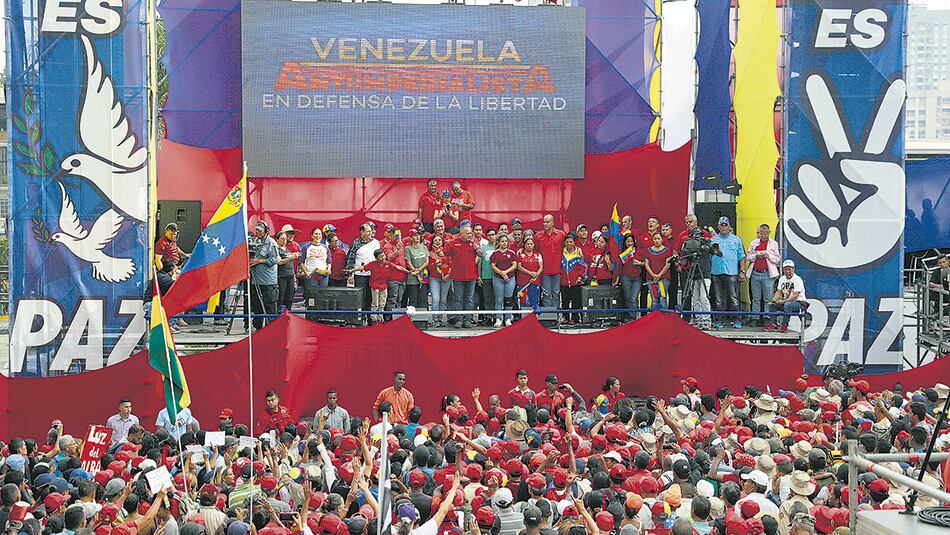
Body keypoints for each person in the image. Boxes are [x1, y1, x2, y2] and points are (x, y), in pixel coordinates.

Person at [351, 249, 410, 325]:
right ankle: (373, 319)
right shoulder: (372, 264)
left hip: (384, 286)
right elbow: (362, 267)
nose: (383, 258)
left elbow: (398, 267)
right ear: (376, 258)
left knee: (382, 304)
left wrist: (408, 272)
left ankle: (380, 319)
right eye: (380, 257)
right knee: (375, 304)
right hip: (375, 286)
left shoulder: (388, 264)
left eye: (383, 255)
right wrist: (352, 270)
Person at [710, 217, 745, 329]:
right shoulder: (713, 240)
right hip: (717, 272)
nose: (724, 227)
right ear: (719, 226)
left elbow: (742, 256)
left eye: (726, 225)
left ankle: (737, 320)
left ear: (729, 226)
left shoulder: (736, 239)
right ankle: (720, 320)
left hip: (732, 272)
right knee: (719, 298)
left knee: (733, 297)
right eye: (722, 225)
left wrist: (742, 271)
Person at [746, 224, 781, 327]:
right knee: (756, 298)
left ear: (769, 233)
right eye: (761, 234)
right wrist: (757, 255)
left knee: (768, 298)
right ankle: (755, 317)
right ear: (759, 233)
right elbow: (748, 257)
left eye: (765, 234)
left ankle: (767, 317)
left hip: (767, 273)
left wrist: (768, 255)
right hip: (755, 273)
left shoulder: (774, 244)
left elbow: (777, 259)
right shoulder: (754, 243)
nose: (763, 236)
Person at [680, 227, 715, 330]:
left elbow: (716, 252)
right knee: (695, 298)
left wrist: (707, 246)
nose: (698, 237)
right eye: (695, 235)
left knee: (704, 297)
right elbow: (686, 258)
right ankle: (698, 319)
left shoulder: (706, 243)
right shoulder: (690, 244)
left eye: (699, 235)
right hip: (695, 273)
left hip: (705, 274)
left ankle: (706, 320)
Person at [249, 220, 279, 330]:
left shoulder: (272, 243)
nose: (257, 232)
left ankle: (271, 328)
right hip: (255, 280)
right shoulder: (255, 241)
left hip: (268, 281)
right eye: (256, 230)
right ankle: (257, 327)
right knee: (256, 305)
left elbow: (275, 259)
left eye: (260, 230)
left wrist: (260, 261)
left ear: (266, 231)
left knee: (269, 305)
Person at [448, 226, 479, 328]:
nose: (470, 235)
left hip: (471, 276)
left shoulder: (474, 242)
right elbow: (445, 253)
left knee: (469, 299)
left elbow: (481, 254)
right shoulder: (453, 242)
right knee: (458, 299)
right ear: (461, 234)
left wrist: (475, 246)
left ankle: (467, 320)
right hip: (457, 276)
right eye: (467, 233)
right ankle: (459, 320)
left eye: (471, 233)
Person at [345, 223, 381, 312]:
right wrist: (349, 275)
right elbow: (350, 259)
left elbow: (380, 258)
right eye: (368, 231)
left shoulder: (376, 242)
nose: (370, 233)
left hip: (374, 275)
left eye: (371, 231)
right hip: (360, 276)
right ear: (362, 232)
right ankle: (361, 317)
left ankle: (371, 318)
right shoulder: (356, 243)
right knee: (361, 298)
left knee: (372, 298)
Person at [535, 215, 567, 309]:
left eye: (547, 222)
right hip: (544, 271)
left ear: (553, 223)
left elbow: (567, 249)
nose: (545, 224)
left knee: (556, 293)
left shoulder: (561, 235)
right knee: (546, 294)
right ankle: (549, 316)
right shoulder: (538, 236)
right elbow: (535, 253)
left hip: (558, 270)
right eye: (544, 222)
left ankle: (556, 316)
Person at [765, 260, 807, 333]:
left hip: (799, 302)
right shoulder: (782, 279)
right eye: (785, 269)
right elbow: (778, 291)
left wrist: (783, 301)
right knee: (771, 305)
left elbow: (795, 296)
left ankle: (784, 325)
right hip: (786, 302)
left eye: (789, 269)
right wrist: (774, 300)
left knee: (787, 305)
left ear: (793, 269)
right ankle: (774, 324)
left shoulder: (797, 279)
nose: (787, 271)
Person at [490, 235, 519, 326]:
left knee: (508, 299)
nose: (504, 243)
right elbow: (493, 266)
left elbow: (515, 265)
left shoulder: (511, 253)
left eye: (506, 241)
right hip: (498, 279)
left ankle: (508, 318)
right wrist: (501, 273)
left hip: (510, 278)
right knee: (499, 299)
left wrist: (506, 272)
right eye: (502, 241)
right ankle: (498, 318)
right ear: (499, 242)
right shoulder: (495, 253)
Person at [381, 225, 408, 320]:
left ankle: (397, 318)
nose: (398, 237)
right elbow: (389, 257)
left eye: (399, 235)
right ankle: (388, 319)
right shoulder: (387, 245)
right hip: (392, 278)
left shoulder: (402, 244)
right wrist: (396, 250)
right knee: (392, 299)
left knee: (399, 299)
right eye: (396, 235)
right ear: (390, 235)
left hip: (402, 277)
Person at [560, 233, 587, 325]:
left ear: (574, 243)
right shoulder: (561, 253)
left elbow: (582, 266)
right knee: (565, 302)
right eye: (567, 242)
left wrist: (580, 277)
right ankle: (566, 318)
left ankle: (575, 319)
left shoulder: (578, 253)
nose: (569, 244)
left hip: (575, 282)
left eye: (571, 242)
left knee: (576, 302)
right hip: (564, 283)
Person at [616, 234, 645, 318]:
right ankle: (631, 317)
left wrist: (639, 263)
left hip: (637, 278)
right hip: (625, 277)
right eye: (628, 241)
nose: (630, 243)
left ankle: (634, 318)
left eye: (631, 241)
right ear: (624, 242)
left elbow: (645, 263)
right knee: (628, 298)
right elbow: (618, 265)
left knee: (633, 297)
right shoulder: (622, 252)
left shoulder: (639, 251)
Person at [644, 233, 673, 310]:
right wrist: (653, 275)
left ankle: (664, 318)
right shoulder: (648, 250)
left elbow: (668, 264)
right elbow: (646, 264)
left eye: (658, 239)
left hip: (664, 278)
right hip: (651, 278)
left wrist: (659, 275)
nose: (657, 241)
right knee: (654, 298)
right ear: (652, 239)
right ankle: (654, 318)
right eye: (655, 239)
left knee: (663, 297)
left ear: (662, 239)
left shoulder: (667, 250)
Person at [404, 229, 430, 312]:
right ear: (410, 238)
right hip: (412, 278)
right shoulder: (408, 248)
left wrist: (418, 270)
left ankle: (423, 320)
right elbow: (408, 263)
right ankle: (412, 320)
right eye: (415, 235)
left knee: (423, 299)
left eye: (418, 235)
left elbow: (427, 261)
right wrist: (417, 274)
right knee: (413, 299)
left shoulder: (423, 247)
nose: (418, 237)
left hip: (423, 276)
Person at [428, 234, 451, 327]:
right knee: (436, 299)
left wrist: (448, 275)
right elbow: (428, 268)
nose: (438, 242)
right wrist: (434, 263)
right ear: (433, 242)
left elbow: (452, 264)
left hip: (446, 278)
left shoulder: (447, 252)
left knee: (443, 300)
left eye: (439, 240)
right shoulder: (430, 253)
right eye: (436, 240)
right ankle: (435, 319)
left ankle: (440, 319)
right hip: (434, 278)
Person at [274, 231, 300, 313]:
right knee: (280, 298)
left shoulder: (287, 249)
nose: (284, 241)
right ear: (277, 239)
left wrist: (295, 278)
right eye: (282, 239)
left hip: (291, 276)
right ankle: (278, 316)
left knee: (289, 298)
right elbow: (280, 262)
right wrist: (291, 257)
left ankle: (288, 314)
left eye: (285, 239)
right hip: (281, 276)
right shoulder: (276, 249)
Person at [516, 236, 543, 311]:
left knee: (535, 300)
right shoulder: (520, 254)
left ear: (534, 245)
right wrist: (530, 273)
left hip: (535, 282)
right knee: (523, 300)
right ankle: (524, 318)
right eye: (527, 244)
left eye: (531, 244)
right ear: (524, 245)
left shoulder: (538, 255)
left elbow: (541, 267)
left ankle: (534, 318)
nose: (529, 245)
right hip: (522, 282)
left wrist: (536, 275)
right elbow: (519, 267)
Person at [477, 228, 498, 325]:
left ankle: (497, 317)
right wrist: (479, 276)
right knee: (487, 298)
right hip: (486, 276)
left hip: (497, 277)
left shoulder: (499, 247)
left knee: (497, 298)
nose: (491, 237)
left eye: (493, 234)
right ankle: (489, 317)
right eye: (489, 235)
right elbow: (480, 263)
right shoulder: (483, 249)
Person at [928, 254, 950, 324]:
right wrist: (937, 285)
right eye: (940, 263)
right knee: (934, 292)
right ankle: (939, 313)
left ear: (948, 261)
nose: (942, 264)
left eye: (943, 262)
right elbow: (930, 283)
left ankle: (939, 314)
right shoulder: (937, 271)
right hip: (941, 294)